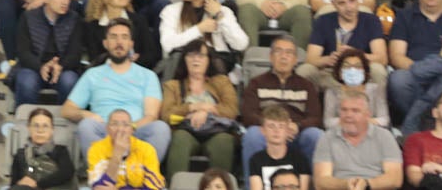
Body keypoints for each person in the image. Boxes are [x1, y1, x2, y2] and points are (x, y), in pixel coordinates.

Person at [62, 19, 170, 159]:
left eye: (124, 37)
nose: (119, 42)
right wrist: (85, 114)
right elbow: (67, 110)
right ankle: (103, 170)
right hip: (104, 130)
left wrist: (129, 128)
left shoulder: (148, 76)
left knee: (161, 128)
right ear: (105, 43)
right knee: (87, 125)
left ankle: (140, 170)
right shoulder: (92, 74)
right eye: (113, 37)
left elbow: (151, 115)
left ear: (131, 44)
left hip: (136, 130)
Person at [243, 37, 325, 170]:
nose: (283, 56)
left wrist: (297, 126)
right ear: (271, 57)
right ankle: (253, 181)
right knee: (252, 135)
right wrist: (272, 126)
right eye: (278, 51)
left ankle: (315, 181)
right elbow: (248, 115)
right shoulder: (256, 83)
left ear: (295, 59)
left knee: (315, 135)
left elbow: (315, 118)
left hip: (295, 134)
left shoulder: (306, 85)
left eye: (289, 53)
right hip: (267, 134)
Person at [160, 38, 238, 177]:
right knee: (180, 138)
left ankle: (219, 185)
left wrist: (206, 112)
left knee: (224, 141)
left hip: (216, 131)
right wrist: (194, 107)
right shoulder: (172, 86)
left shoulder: (222, 82)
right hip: (186, 131)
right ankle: (176, 185)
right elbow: (166, 115)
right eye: (191, 55)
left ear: (208, 60)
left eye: (201, 55)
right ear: (184, 60)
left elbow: (232, 111)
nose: (196, 59)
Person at [12, 0, 84, 107]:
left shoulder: (74, 19)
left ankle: (67, 117)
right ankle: (25, 118)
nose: (65, 1)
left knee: (69, 81)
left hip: (63, 68)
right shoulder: (29, 17)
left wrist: (60, 66)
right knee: (27, 81)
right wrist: (41, 67)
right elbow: (23, 52)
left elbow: (75, 53)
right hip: (34, 67)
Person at [312, 87, 403, 190]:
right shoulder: (327, 138)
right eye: (344, 110)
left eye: (355, 111)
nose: (348, 115)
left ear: (367, 115)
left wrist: (366, 184)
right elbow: (321, 181)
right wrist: (346, 185)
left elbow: (395, 179)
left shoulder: (385, 137)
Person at [303, 0, 388, 88]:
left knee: (378, 70)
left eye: (352, 1)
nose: (348, 8)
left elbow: (382, 58)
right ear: (333, 4)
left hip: (361, 71)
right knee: (305, 70)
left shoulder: (371, 20)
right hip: (330, 73)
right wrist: (328, 59)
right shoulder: (323, 21)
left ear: (358, 0)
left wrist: (355, 55)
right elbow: (310, 59)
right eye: (342, 3)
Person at [161, 0, 250, 62]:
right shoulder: (171, 11)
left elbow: (241, 44)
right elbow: (167, 44)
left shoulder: (222, 11)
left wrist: (220, 17)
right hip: (184, 62)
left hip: (217, 62)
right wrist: (199, 29)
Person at [9, 106, 76, 190]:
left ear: (52, 129)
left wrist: (38, 184)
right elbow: (14, 183)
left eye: (45, 126)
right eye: (36, 126)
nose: (40, 130)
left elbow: (66, 173)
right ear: (29, 128)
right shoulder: (20, 155)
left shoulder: (60, 151)